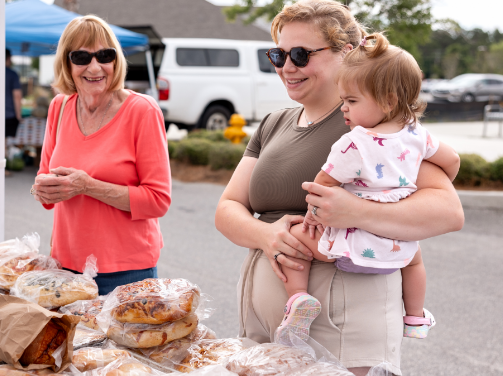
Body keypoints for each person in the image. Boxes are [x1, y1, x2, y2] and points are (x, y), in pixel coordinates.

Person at [214, 1, 464, 374]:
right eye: (278, 55)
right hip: (267, 328)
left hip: (343, 332)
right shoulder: (273, 123)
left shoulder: (376, 124)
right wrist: (267, 236)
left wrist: (357, 211)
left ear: (347, 52)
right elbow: (227, 208)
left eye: (300, 54)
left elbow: (448, 212)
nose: (287, 66)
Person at [274, 33, 460, 345]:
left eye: (351, 101)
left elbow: (323, 184)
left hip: (349, 247)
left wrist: (312, 216)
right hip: (395, 246)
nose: (344, 109)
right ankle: (414, 316)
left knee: (291, 242)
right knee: (415, 261)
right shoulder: (417, 135)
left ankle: (298, 297)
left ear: (388, 100)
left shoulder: (355, 143)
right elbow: (452, 161)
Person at [31, 15, 171, 295]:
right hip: (66, 267)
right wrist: (43, 190)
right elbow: (45, 182)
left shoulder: (142, 110)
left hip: (126, 272)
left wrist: (87, 186)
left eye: (104, 55)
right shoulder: (59, 107)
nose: (94, 67)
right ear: (67, 64)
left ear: (115, 61)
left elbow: (158, 200)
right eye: (81, 57)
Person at [5, 49, 22, 176]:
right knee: (2, 142)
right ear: (8, 58)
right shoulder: (12, 74)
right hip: (7, 113)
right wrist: (18, 114)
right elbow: (17, 95)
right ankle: (3, 169)